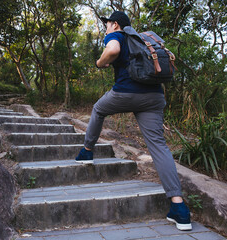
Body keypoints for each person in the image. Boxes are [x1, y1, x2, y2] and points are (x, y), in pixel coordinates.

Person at [75, 11, 192, 231]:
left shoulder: (117, 36)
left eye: (107, 24)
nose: (106, 28)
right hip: (154, 97)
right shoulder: (142, 38)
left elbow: (112, 51)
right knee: (158, 146)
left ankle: (87, 152)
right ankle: (179, 208)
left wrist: (100, 63)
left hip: (125, 93)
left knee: (98, 109)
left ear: (116, 24)